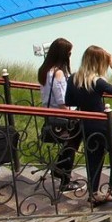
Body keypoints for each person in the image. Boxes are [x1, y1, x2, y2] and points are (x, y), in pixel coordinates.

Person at [65, 45, 112, 205]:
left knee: (94, 156)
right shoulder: (97, 81)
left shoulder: (73, 78)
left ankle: (93, 192)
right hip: (102, 122)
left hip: (85, 123)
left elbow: (68, 101)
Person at [37, 37, 84, 193]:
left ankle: (59, 170)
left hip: (50, 114)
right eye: (69, 53)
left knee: (69, 146)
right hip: (63, 116)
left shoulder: (44, 70)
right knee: (71, 145)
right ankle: (65, 180)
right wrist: (75, 113)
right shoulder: (58, 74)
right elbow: (62, 100)